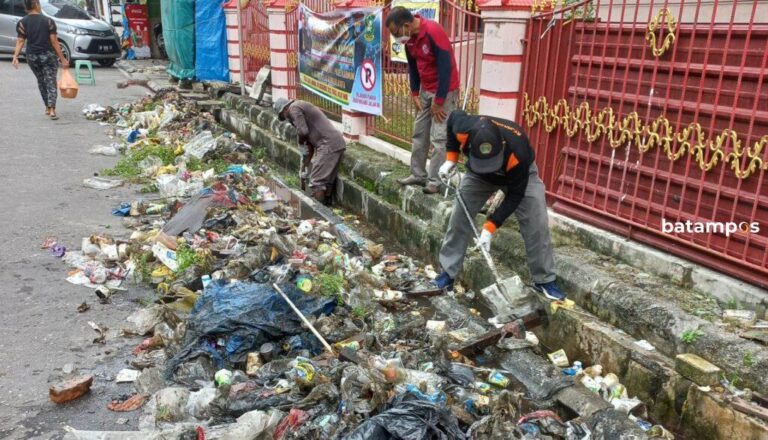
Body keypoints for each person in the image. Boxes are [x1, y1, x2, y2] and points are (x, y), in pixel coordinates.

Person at [432, 110, 567, 301]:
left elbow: (515, 195)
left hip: (519, 176)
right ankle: (447, 274)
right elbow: (452, 118)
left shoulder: (518, 151)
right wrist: (451, 159)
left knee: (536, 223)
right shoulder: (463, 127)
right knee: (459, 218)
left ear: (502, 146)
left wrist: (489, 228)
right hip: (478, 176)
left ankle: (544, 280)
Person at [385, 6, 460, 194]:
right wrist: (414, 92)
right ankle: (417, 174)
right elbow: (412, 67)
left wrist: (439, 101)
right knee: (419, 132)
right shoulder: (409, 40)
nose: (396, 37)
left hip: (444, 91)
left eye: (396, 33)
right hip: (426, 90)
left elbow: (446, 67)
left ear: (406, 25)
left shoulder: (433, 31)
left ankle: (435, 180)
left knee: (439, 137)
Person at [273, 98, 346, 205]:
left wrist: (300, 141)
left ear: (284, 110)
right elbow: (309, 145)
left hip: (328, 144)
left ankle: (319, 210)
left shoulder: (294, 108)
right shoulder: (299, 107)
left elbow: (303, 132)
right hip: (334, 143)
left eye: (283, 116)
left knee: (316, 182)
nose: (287, 119)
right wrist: (305, 164)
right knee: (326, 182)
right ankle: (327, 207)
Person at [11, 0, 70, 120]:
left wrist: (15, 56)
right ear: (37, 5)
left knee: (41, 81)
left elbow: (20, 41)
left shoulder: (22, 22)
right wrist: (63, 58)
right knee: (50, 81)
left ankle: (47, 107)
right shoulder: (48, 21)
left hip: (32, 56)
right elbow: (54, 41)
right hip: (48, 55)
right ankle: (52, 109)